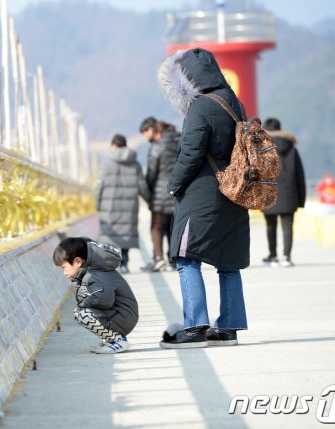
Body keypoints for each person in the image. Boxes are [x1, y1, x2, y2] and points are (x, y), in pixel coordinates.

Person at [156, 47, 250, 348]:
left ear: (187, 78)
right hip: (233, 192)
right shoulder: (234, 103)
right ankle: (229, 328)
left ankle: (195, 327)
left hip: (201, 195)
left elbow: (191, 152)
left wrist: (174, 185)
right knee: (228, 261)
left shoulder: (200, 107)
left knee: (186, 257)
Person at [53, 237, 138, 354]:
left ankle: (118, 340)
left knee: (83, 314)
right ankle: (112, 339)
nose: (64, 273)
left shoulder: (95, 275)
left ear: (78, 262)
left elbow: (104, 300)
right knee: (81, 311)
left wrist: (84, 303)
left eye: (64, 268)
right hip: (122, 314)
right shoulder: (93, 271)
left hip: (124, 316)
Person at [96, 133, 150, 273]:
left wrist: (98, 203)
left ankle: (111, 263)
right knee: (126, 233)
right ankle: (125, 263)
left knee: (110, 234)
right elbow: (142, 185)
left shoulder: (106, 163)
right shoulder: (135, 163)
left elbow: (99, 186)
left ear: (113, 145)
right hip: (129, 205)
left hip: (110, 205)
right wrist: (149, 200)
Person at [261, 117, 306, 267]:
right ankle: (286, 257)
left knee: (270, 226)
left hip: (269, 194)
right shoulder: (292, 148)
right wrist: (301, 199)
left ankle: (273, 257)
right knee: (288, 226)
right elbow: (300, 175)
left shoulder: (262, 148)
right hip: (289, 194)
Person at [140, 119, 179, 272]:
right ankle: (174, 258)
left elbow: (151, 173)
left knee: (156, 227)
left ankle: (158, 258)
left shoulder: (156, 147)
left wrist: (149, 194)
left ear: (155, 131)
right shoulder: (180, 140)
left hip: (159, 193)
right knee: (173, 226)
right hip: (178, 191)